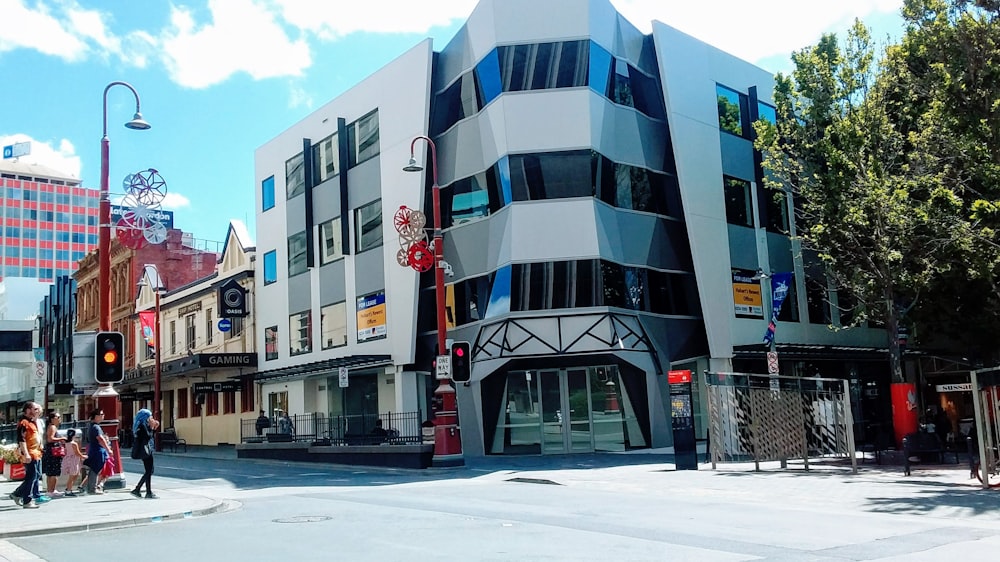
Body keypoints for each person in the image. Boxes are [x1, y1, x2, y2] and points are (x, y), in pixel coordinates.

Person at [10, 402, 44, 508]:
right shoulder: (24, 423)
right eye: (35, 409)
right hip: (30, 453)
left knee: (36, 475)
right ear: (28, 410)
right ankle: (27, 500)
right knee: (31, 476)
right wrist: (26, 453)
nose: (37, 411)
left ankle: (17, 494)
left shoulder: (32, 422)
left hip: (36, 452)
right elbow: (22, 439)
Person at [130, 408, 160, 499]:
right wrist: (152, 428)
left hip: (144, 450)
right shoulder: (142, 425)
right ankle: (139, 489)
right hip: (146, 450)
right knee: (149, 471)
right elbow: (147, 436)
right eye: (149, 416)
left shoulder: (139, 425)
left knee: (149, 471)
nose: (151, 418)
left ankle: (146, 491)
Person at [84, 409, 113, 495]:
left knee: (94, 469)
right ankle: (92, 488)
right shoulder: (96, 427)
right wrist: (108, 449)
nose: (103, 416)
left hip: (94, 450)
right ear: (95, 416)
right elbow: (100, 438)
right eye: (101, 414)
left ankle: (91, 487)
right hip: (98, 451)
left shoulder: (92, 426)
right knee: (95, 469)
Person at [42, 412, 67, 497]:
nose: (60, 419)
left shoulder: (50, 427)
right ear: (52, 419)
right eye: (58, 417)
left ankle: (50, 490)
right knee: (54, 472)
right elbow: (50, 439)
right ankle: (52, 490)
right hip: (54, 451)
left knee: (50, 472)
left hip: (50, 451)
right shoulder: (52, 427)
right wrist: (62, 438)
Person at [61, 428, 86, 497]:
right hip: (74, 460)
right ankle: (68, 491)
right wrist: (83, 456)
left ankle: (68, 488)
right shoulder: (74, 444)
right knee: (72, 476)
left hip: (68, 459)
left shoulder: (66, 443)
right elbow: (77, 453)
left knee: (76, 474)